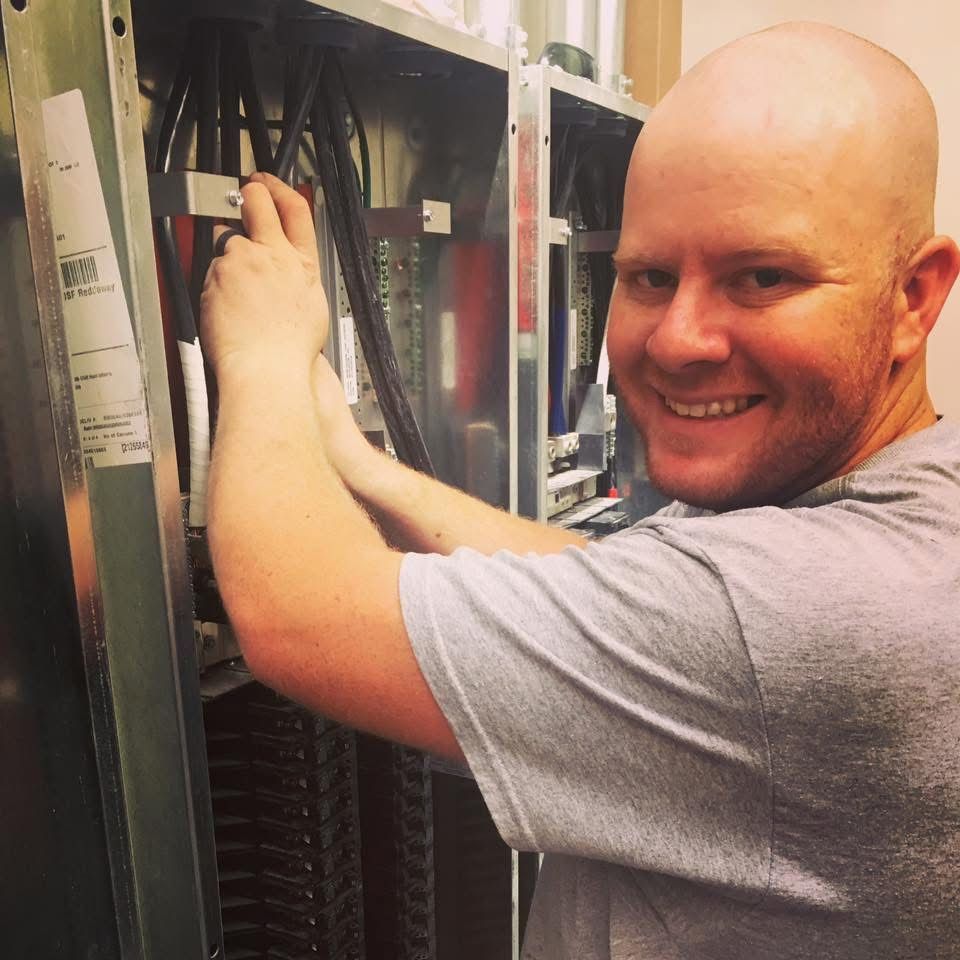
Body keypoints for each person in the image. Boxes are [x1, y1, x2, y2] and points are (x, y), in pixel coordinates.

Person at [199, 21, 960, 960]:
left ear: (915, 296)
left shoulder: (814, 615)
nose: (679, 339)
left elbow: (299, 614)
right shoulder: (915, 502)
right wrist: (355, 464)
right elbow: (625, 586)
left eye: (763, 277)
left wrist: (264, 352)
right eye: (649, 275)